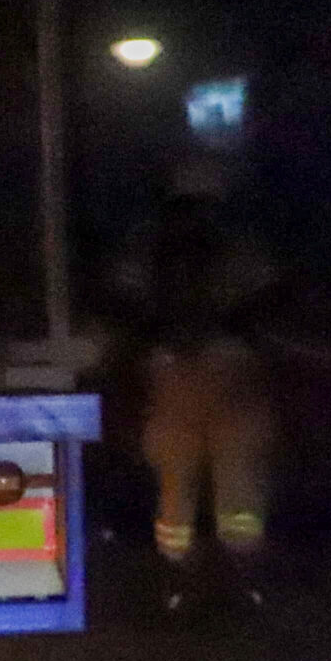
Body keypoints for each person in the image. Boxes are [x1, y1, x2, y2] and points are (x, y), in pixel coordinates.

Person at [112, 157, 280, 612]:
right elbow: (267, 295)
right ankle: (242, 574)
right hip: (229, 368)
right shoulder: (238, 245)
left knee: (176, 480)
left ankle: (177, 577)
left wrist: (154, 348)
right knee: (237, 479)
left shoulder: (149, 244)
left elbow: (126, 299)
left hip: (172, 372)